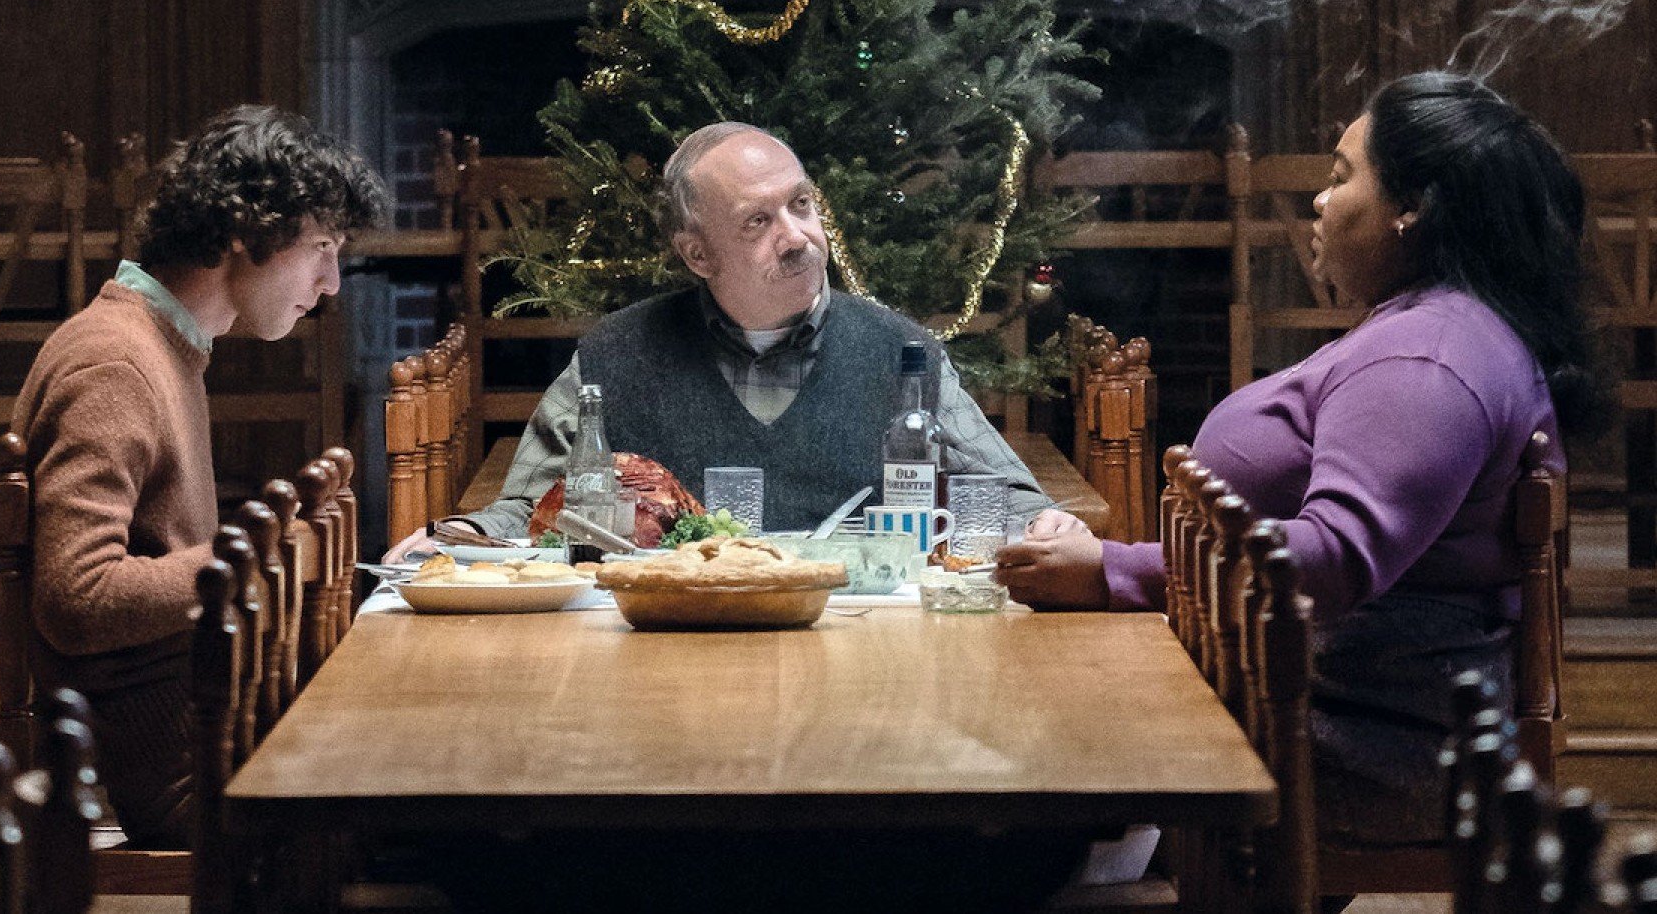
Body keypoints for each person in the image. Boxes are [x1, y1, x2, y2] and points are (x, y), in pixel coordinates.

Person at [994, 72, 1608, 845]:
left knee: (1002, 745)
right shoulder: (1430, 330)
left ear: (1411, 209)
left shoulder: (1428, 356)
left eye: (1342, 176)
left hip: (1357, 741)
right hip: (1318, 701)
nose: (1321, 201)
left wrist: (1113, 569)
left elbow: (1330, 560)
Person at [388, 122, 1081, 558]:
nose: (799, 237)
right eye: (758, 222)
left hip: (863, 652)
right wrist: (468, 536)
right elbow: (530, 509)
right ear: (697, 254)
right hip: (665, 656)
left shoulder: (902, 352)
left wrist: (1050, 528)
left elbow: (1010, 498)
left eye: (801, 205)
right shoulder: (617, 354)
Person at [11, 106, 387, 847]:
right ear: (246, 233)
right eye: (320, 247)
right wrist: (257, 559)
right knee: (452, 805)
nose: (332, 282)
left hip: (206, 726)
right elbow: (75, 596)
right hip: (175, 777)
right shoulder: (115, 363)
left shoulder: (163, 347)